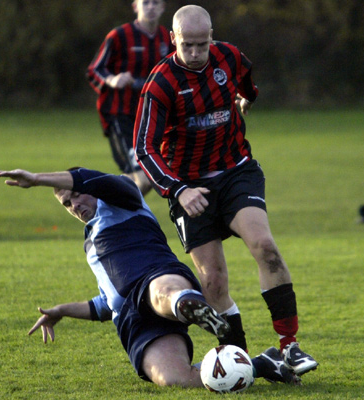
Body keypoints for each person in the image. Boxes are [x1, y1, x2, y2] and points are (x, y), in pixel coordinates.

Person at [134, 5, 318, 376]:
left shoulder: (229, 57)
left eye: (202, 44)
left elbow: (246, 80)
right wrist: (178, 190)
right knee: (213, 282)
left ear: (212, 37)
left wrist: (248, 96)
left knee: (264, 246)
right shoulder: (160, 84)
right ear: (172, 39)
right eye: (187, 45)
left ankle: (290, 347)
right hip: (189, 186)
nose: (195, 53)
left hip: (236, 171)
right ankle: (242, 361)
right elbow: (145, 148)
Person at [0, 166, 300, 387]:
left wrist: (37, 179)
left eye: (77, 195)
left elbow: (86, 177)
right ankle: (263, 364)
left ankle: (188, 306)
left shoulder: (123, 198)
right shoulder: (90, 245)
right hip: (135, 320)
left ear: (92, 188)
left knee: (161, 293)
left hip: (159, 278)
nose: (75, 205)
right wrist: (62, 310)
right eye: (67, 204)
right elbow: (107, 304)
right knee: (175, 379)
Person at [86, 0, 174, 196]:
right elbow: (94, 70)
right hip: (121, 115)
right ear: (135, 6)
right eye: (146, 2)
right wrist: (112, 79)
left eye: (156, 2)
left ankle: (105, 206)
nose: (150, 7)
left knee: (134, 180)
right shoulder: (119, 36)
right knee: (144, 177)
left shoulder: (166, 38)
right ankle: (108, 208)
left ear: (162, 7)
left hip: (150, 117)